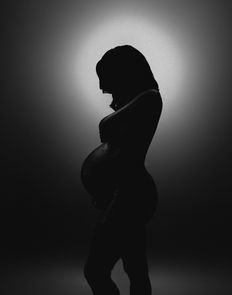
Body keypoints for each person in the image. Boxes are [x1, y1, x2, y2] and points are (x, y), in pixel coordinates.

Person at [81, 45, 162, 295]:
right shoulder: (140, 102)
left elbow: (105, 127)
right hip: (123, 193)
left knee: (95, 270)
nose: (101, 87)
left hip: (130, 195)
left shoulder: (150, 97)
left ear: (123, 73)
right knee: (136, 268)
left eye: (104, 78)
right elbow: (119, 156)